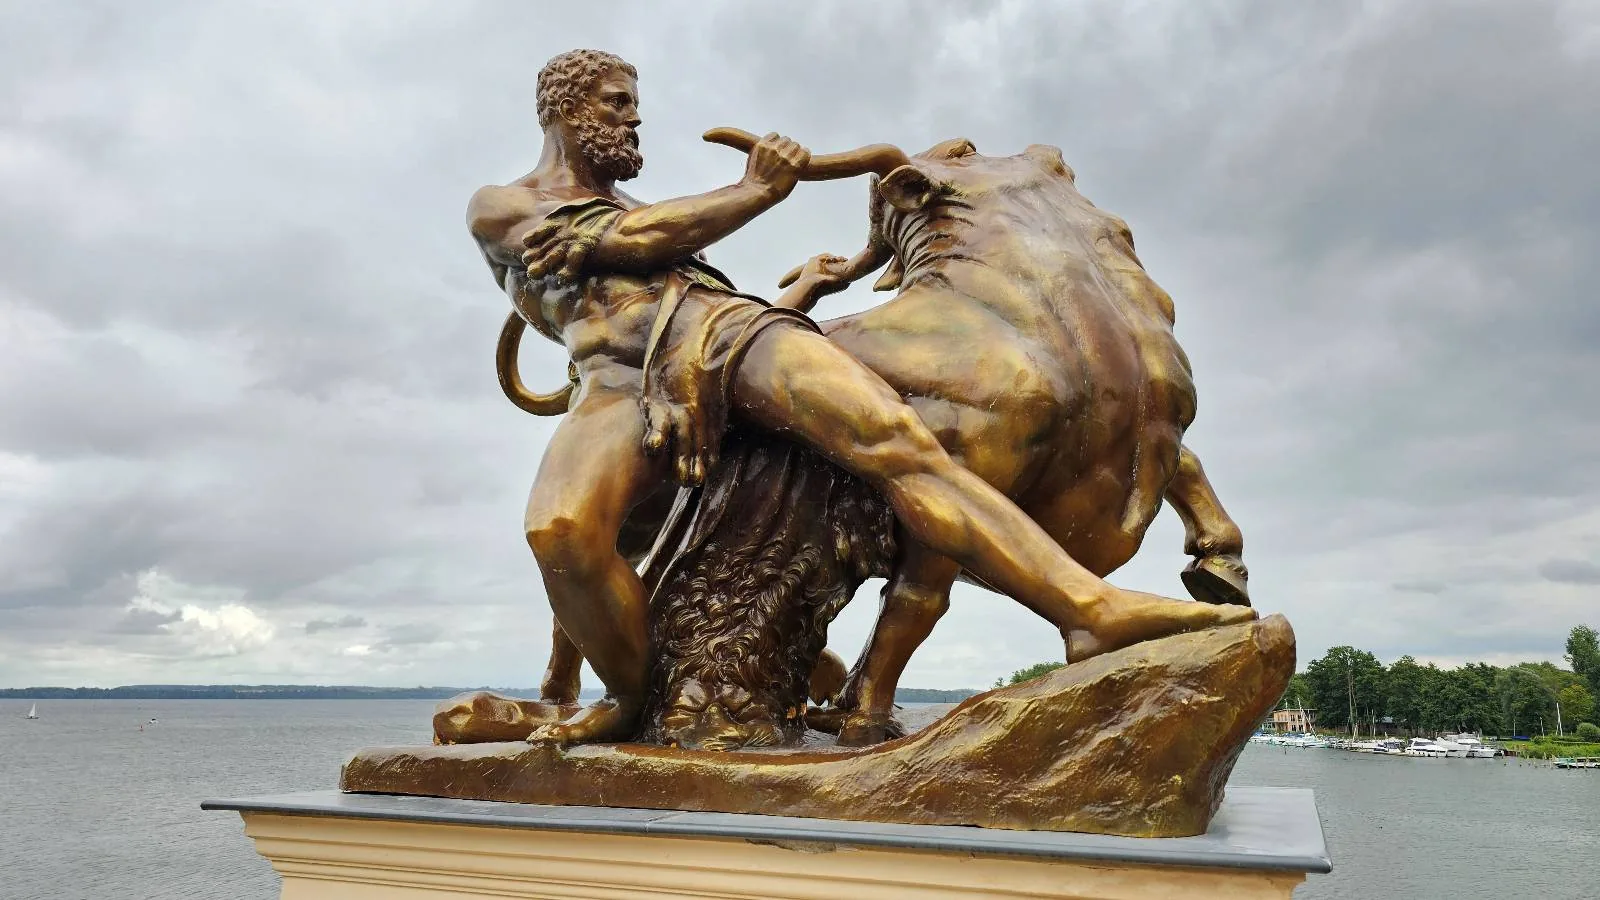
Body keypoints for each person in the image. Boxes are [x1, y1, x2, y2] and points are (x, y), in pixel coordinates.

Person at [467, 49, 1253, 745]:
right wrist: (758, 191)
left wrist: (802, 291)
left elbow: (673, 271)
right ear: (565, 108)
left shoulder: (654, 222)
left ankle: (1089, 611)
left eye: (636, 103)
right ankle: (628, 695)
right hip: (614, 384)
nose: (635, 120)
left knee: (898, 443)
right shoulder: (503, 204)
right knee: (563, 531)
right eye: (617, 102)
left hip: (725, 336)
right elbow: (631, 245)